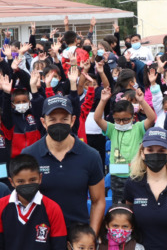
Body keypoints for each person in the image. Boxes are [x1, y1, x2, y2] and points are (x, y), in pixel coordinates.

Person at [23, 95, 105, 232]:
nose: (58, 123)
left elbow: (98, 201)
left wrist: (91, 238)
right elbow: (23, 200)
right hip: (41, 235)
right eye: (53, 119)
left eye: (64, 119)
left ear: (73, 120)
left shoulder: (90, 155)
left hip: (78, 237)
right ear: (43, 122)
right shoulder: (29, 155)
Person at [95, 86, 156, 203]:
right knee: (120, 206)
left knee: (137, 204)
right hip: (117, 177)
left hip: (136, 174)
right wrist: (103, 101)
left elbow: (152, 118)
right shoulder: (112, 129)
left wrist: (142, 100)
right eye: (118, 120)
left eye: (126, 119)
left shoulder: (138, 128)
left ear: (133, 117)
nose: (121, 123)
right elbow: (97, 118)